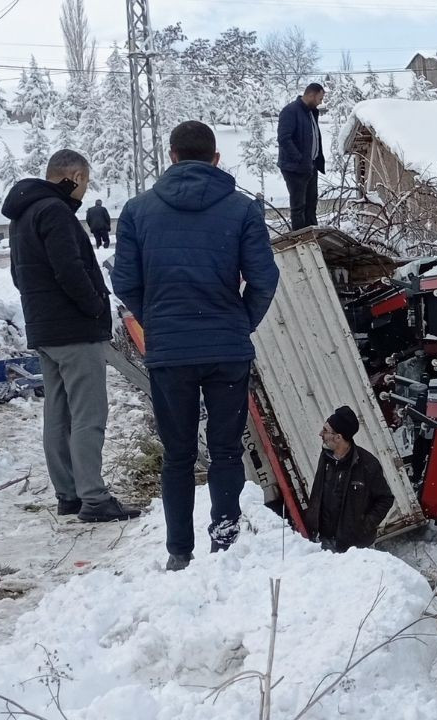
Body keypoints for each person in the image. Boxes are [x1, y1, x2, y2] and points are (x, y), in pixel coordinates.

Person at [112, 120, 280, 571]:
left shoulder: (137, 210)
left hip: (171, 353)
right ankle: (222, 545)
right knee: (226, 450)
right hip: (227, 349)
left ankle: (178, 553)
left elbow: (124, 281)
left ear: (171, 156)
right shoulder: (242, 210)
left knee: (179, 454)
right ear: (215, 159)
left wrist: (159, 322)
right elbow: (265, 279)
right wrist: (240, 321)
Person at [3, 150, 140, 524]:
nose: (85, 189)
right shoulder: (56, 212)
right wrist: (97, 304)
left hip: (44, 328)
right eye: (87, 180)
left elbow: (20, 275)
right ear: (75, 176)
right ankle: (94, 497)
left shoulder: (23, 214)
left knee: (58, 413)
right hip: (73, 330)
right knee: (88, 414)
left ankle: (69, 495)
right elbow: (70, 270)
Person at [304, 406, 396, 552]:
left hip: (354, 548)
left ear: (338, 437)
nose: (320, 434)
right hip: (324, 540)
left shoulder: (367, 464)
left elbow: (385, 499)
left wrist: (363, 526)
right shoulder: (326, 457)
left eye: (326, 430)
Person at [276, 82, 326, 232]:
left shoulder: (311, 112)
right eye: (320, 98)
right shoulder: (290, 111)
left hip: (310, 166)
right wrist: (299, 158)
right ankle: (301, 243)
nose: (320, 102)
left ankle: (313, 238)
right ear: (311, 95)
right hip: (295, 168)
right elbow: (284, 138)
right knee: (299, 208)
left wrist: (313, 161)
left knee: (311, 205)